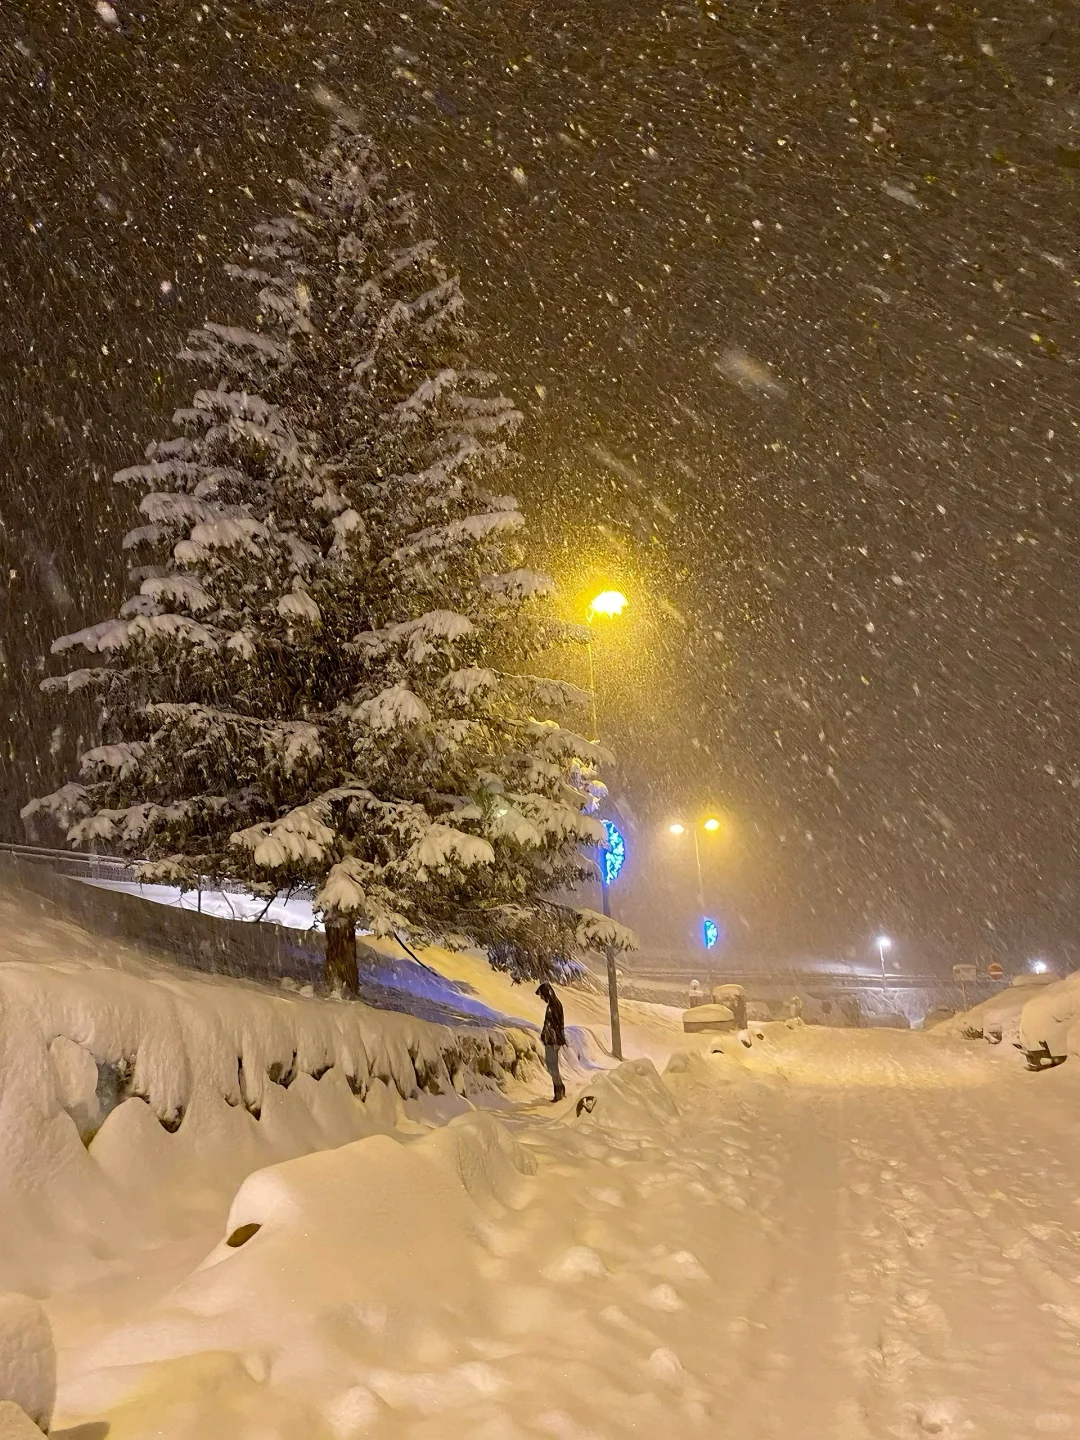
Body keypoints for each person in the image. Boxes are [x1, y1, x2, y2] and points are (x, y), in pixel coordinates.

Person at [536, 981, 566, 1102]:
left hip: (553, 1042)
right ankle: (559, 1089)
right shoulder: (554, 1005)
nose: (542, 998)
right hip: (552, 1041)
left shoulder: (554, 1006)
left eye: (542, 995)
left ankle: (559, 1091)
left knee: (552, 1066)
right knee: (552, 1066)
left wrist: (551, 1039)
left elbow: (554, 1025)